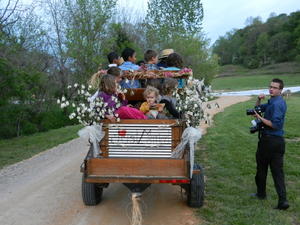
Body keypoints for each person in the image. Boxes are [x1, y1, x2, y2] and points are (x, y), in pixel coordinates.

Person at [251, 78, 289, 210]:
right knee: (270, 171)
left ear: (280, 90)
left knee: (269, 170)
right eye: (270, 86)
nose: (271, 89)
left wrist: (260, 118)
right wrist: (259, 99)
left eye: (274, 87)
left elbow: (276, 124)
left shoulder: (278, 104)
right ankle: (272, 197)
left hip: (271, 141)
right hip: (272, 141)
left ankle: (273, 198)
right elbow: (256, 109)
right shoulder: (272, 101)